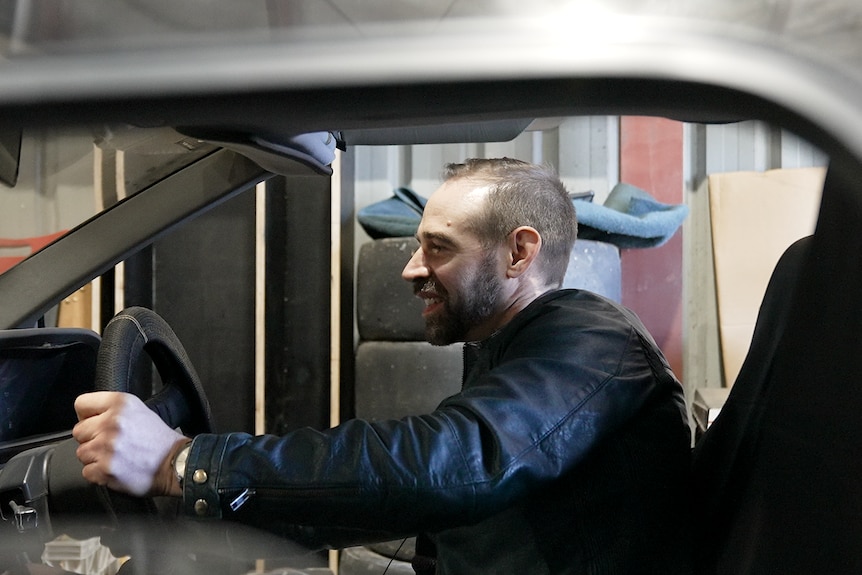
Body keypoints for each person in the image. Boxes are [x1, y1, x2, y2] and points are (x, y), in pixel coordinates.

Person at [73, 158, 691, 574]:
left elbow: (455, 463)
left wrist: (185, 464)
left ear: (518, 253)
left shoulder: (590, 340)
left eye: (439, 248)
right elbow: (409, 494)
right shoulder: (506, 344)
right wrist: (214, 520)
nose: (410, 268)